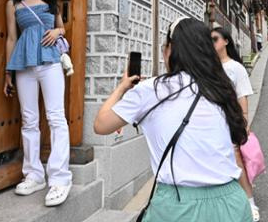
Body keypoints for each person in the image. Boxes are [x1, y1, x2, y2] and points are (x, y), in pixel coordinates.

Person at [94, 18, 252, 222]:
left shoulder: (153, 89)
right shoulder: (221, 88)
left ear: (171, 50)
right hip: (232, 202)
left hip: (178, 207)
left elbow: (101, 125)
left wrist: (123, 87)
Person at [5, 0, 72, 206]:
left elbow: (62, 29)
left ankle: (60, 178)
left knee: (56, 118)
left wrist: (57, 32)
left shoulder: (51, 4)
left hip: (50, 62)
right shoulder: (13, 4)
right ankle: (34, 175)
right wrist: (7, 72)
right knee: (29, 120)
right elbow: (11, 38)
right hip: (24, 65)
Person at [212, 27, 260, 222]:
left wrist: (244, 121)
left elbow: (242, 96)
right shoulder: (208, 66)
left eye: (215, 39)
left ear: (226, 42)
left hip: (229, 121)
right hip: (210, 122)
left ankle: (250, 202)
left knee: (237, 161)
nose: (211, 43)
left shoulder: (235, 67)